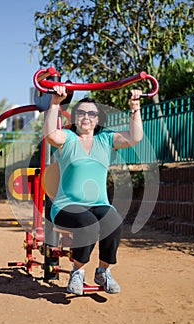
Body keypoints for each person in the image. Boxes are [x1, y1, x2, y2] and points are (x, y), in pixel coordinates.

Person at [43, 86, 143, 295]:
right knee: (87, 224)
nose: (86, 117)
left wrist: (135, 107)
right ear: (75, 116)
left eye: (91, 113)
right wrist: (54, 103)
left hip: (98, 204)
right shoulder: (68, 139)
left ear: (98, 119)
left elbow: (135, 138)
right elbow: (51, 135)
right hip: (65, 206)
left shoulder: (105, 139)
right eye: (81, 112)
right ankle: (77, 272)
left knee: (113, 221)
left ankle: (103, 271)